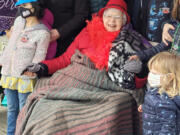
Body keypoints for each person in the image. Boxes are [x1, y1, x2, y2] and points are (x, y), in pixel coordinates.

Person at [15, 0, 151, 134]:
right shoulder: (87, 32)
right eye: (108, 16)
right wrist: (42, 67)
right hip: (76, 79)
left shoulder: (132, 40)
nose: (111, 21)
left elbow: (138, 79)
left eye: (117, 17)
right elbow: (65, 59)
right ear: (102, 17)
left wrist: (139, 71)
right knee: (43, 107)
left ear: (124, 20)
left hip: (106, 89)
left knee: (100, 113)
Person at [0, 0, 50, 134]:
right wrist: (3, 59)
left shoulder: (43, 33)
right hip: (8, 73)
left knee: (24, 108)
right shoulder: (18, 23)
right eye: (21, 7)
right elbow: (11, 44)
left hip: (24, 77)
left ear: (35, 7)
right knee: (11, 108)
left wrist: (31, 70)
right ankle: (10, 133)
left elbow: (40, 56)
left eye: (25, 6)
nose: (22, 10)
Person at [138, 52, 180, 135]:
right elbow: (155, 105)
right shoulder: (159, 89)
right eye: (150, 72)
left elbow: (169, 127)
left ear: (170, 77)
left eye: (155, 73)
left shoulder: (163, 101)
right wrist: (146, 107)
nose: (150, 75)